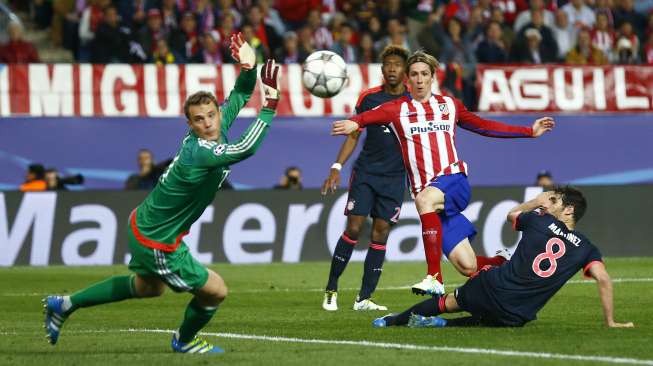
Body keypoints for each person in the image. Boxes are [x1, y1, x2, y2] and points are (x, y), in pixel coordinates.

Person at [43, 34, 282, 354]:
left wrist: (249, 67)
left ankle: (64, 304)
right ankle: (184, 341)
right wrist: (270, 106)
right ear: (190, 124)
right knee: (215, 291)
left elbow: (239, 92)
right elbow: (244, 148)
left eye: (212, 114)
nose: (209, 123)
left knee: (147, 288)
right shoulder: (199, 151)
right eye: (199, 120)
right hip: (157, 239)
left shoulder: (217, 124)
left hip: (145, 223)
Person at [331, 50, 554, 297]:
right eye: (414, 74)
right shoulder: (395, 110)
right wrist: (355, 122)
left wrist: (528, 131)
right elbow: (366, 117)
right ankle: (506, 263)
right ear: (407, 79)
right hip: (431, 199)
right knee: (467, 265)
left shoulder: (449, 105)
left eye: (424, 74)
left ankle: (434, 277)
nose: (419, 79)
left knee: (424, 200)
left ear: (432, 77)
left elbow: (484, 126)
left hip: (453, 180)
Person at [373, 187, 634, 329]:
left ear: (568, 209)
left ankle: (392, 321)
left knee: (447, 302)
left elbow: (512, 216)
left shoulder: (538, 220)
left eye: (554, 200)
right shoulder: (587, 248)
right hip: (517, 314)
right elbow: (603, 278)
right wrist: (610, 321)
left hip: (489, 289)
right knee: (492, 320)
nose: (547, 204)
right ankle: (444, 326)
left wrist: (534, 201)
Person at [320, 45, 410, 312]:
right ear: (382, 70)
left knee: (381, 233)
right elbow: (354, 133)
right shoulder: (369, 98)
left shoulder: (414, 102)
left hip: (395, 178)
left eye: (397, 64)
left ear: (404, 70)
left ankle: (364, 298)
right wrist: (336, 166)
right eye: (387, 65)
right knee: (354, 229)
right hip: (367, 173)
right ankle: (331, 289)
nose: (392, 69)